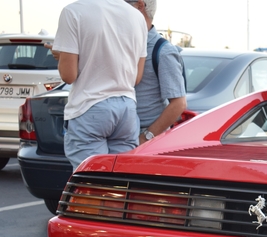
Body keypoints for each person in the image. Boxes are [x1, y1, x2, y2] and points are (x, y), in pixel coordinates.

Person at [51, 0, 147, 170]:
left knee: (90, 184)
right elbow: (136, 78)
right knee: (120, 180)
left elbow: (68, 75)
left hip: (90, 106)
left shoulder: (73, 11)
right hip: (126, 109)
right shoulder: (137, 17)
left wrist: (62, 56)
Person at [126, 0, 186, 144]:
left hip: (144, 138)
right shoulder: (123, 44)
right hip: (122, 135)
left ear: (140, 6)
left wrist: (145, 138)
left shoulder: (163, 51)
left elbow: (178, 103)